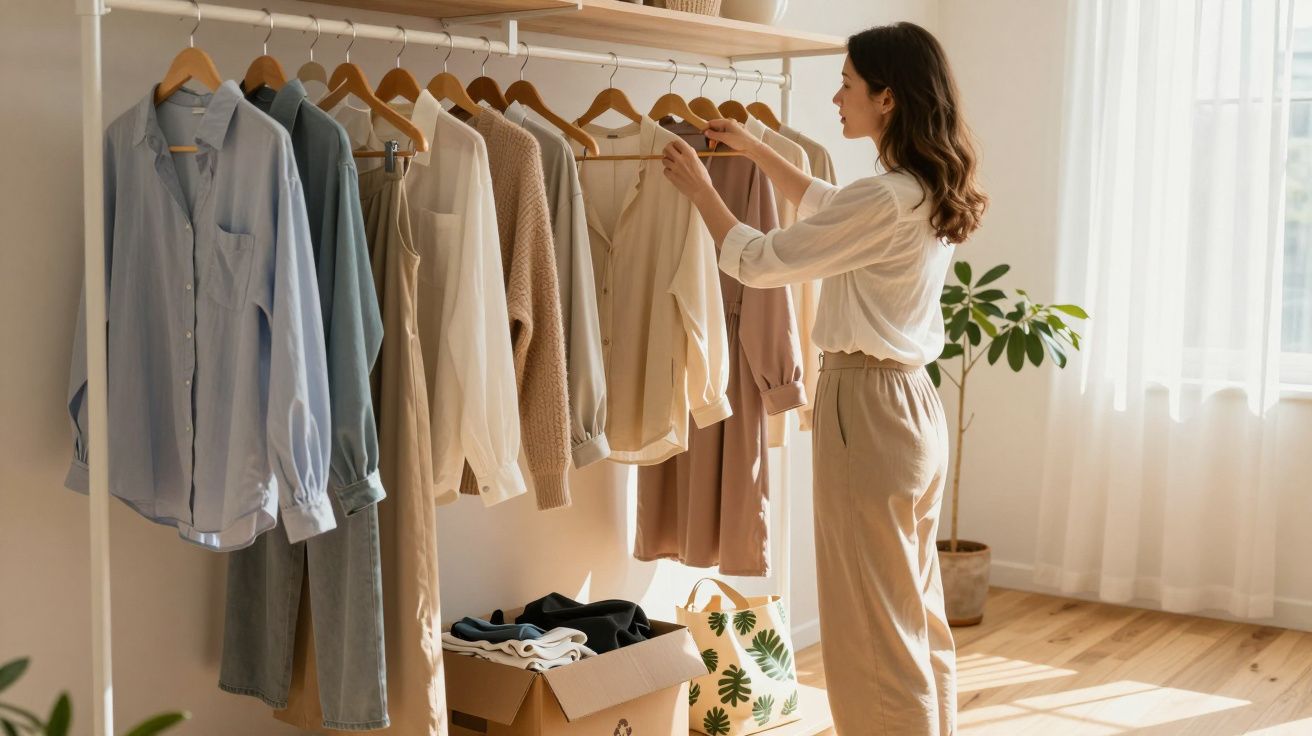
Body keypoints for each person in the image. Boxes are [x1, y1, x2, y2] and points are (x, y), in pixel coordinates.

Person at [660, 21, 988, 736]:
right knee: (914, 616)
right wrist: (757, 149)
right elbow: (825, 209)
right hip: (911, 406)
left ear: (888, 99)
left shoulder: (883, 197)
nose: (835, 97)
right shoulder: (914, 188)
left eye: (846, 84)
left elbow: (761, 259)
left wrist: (700, 190)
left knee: (868, 632)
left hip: (865, 410)